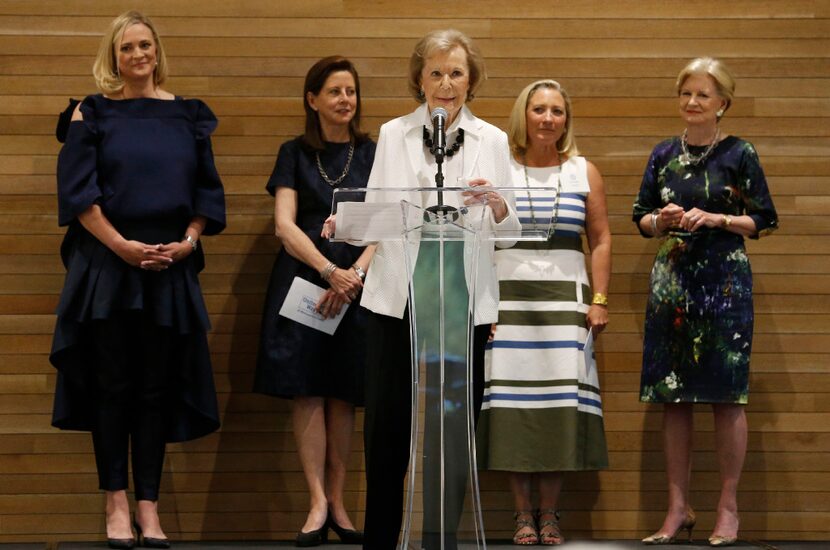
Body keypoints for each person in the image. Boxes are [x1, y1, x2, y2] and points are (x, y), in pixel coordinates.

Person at [50, 10, 226, 550]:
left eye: (144, 45)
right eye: (126, 48)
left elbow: (205, 194)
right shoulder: (91, 112)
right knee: (112, 387)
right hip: (107, 267)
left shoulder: (189, 115)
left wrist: (189, 241)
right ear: (114, 56)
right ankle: (116, 503)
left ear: (157, 51)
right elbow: (78, 193)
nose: (137, 55)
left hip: (169, 269)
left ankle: (148, 508)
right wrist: (123, 247)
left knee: (155, 389)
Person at [351, 29, 520, 549]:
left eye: (457, 73)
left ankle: (440, 538)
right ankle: (380, 540)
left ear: (472, 80)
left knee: (452, 426)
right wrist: (348, 221)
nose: (446, 84)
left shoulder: (491, 138)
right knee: (387, 426)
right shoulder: (393, 132)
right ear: (419, 79)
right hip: (396, 293)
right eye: (436, 73)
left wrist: (494, 203)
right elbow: (377, 215)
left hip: (460, 295)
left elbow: (510, 233)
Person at [633, 57, 778, 547]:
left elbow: (764, 219)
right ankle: (678, 509)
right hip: (672, 284)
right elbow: (640, 218)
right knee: (672, 399)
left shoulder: (740, 153)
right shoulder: (662, 154)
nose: (692, 102)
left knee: (725, 398)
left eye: (703, 95)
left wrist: (718, 219)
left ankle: (728, 508)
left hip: (724, 285)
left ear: (723, 104)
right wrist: (663, 219)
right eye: (686, 93)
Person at [476, 79, 611, 546]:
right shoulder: (500, 170)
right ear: (523, 115)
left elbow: (601, 238)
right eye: (539, 109)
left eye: (556, 110)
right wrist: (482, 304)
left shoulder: (583, 171)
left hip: (566, 302)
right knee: (513, 405)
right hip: (508, 300)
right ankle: (521, 516)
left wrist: (599, 300)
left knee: (558, 404)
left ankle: (550, 513)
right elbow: (480, 241)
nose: (548, 118)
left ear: (566, 118)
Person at [253, 56, 375, 547]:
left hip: (361, 286)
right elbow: (284, 225)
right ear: (313, 100)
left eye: (350, 91)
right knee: (307, 389)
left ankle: (340, 502)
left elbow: (390, 224)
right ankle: (316, 501)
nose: (344, 100)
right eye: (334, 92)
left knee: (345, 392)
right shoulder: (293, 152)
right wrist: (329, 271)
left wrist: (355, 275)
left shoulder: (374, 151)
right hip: (304, 282)